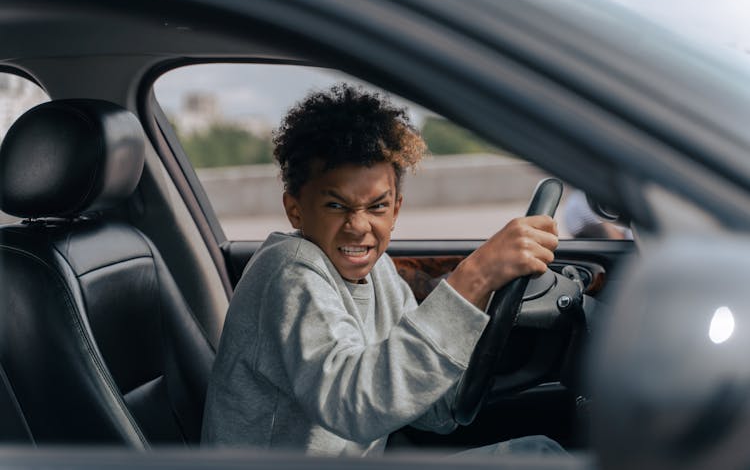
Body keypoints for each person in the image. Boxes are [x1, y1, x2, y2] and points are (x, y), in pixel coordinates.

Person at [202, 84, 562, 457]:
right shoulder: (290, 272)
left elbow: (433, 410)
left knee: (538, 453)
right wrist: (476, 276)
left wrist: (485, 303)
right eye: (336, 206)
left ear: (396, 209)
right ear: (295, 210)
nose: (358, 226)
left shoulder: (380, 275)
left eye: (376, 207)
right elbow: (354, 405)